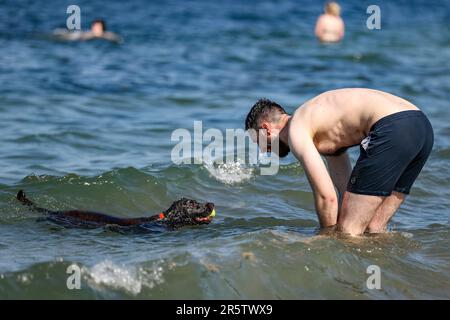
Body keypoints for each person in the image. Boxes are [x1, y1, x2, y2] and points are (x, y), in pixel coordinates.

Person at [244, 88, 434, 236]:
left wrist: (325, 242)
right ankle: (388, 277)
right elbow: (345, 195)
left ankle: (350, 284)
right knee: (373, 228)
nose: (262, 150)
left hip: (393, 127)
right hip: (421, 127)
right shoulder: (322, 128)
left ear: (266, 129)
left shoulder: (296, 129)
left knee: (348, 232)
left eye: (258, 141)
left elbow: (327, 198)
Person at [53, 19, 122, 43]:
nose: (95, 28)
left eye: (97, 27)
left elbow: (116, 38)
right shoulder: (89, 34)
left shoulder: (106, 35)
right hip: (78, 36)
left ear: (102, 28)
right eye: (94, 26)